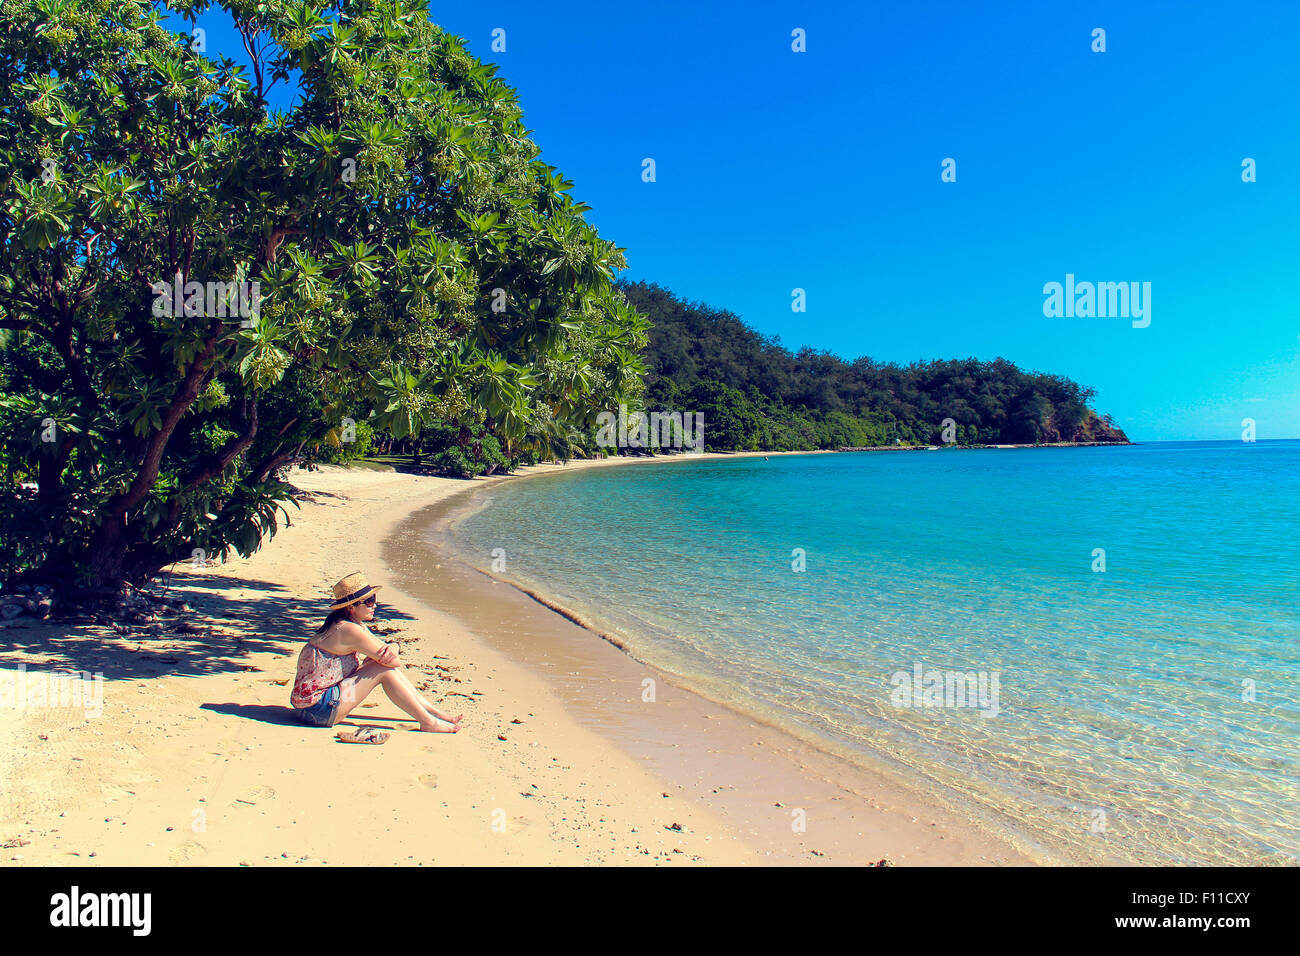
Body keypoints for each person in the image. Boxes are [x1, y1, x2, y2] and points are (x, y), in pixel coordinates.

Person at [290, 572, 462, 733]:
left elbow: (383, 652)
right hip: (318, 711)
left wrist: (394, 645)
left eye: (374, 599)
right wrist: (393, 649)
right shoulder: (348, 629)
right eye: (369, 601)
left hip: (308, 708)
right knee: (384, 669)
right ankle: (428, 721)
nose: (375, 605)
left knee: (378, 663)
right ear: (351, 607)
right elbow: (394, 662)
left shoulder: (345, 624)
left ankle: (431, 712)